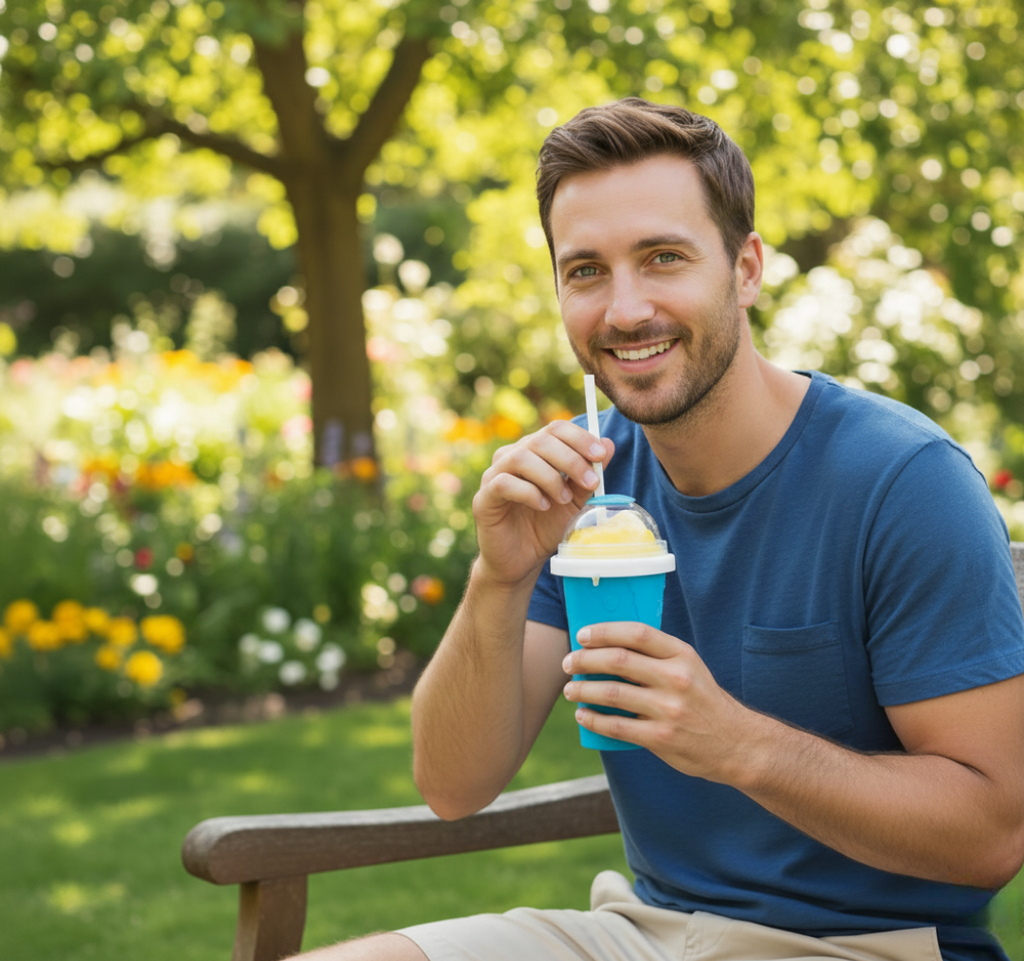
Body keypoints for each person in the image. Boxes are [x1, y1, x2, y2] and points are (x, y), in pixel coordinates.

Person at [290, 99, 1024, 961]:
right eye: (586, 271)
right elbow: (453, 785)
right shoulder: (588, 488)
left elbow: (991, 834)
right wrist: (501, 575)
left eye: (663, 258)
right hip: (638, 934)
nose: (625, 309)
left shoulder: (900, 481)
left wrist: (737, 742)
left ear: (745, 268)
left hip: (864, 946)